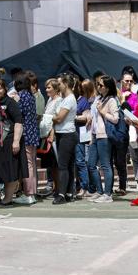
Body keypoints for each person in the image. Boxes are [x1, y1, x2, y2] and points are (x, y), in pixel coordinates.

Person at [0, 78, 28, 207]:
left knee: (9, 171)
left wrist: (16, 141)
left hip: (9, 141)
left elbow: (18, 121)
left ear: (5, 89)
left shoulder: (10, 103)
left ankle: (8, 199)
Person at [87, 75, 119, 203]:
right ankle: (99, 191)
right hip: (95, 134)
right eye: (97, 84)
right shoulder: (98, 98)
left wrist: (102, 112)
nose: (98, 87)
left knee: (105, 165)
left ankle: (107, 194)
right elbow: (93, 115)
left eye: (101, 85)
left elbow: (115, 118)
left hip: (104, 135)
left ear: (108, 87)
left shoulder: (111, 100)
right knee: (91, 164)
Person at [51, 73, 79, 205]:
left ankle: (61, 194)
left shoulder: (69, 99)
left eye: (60, 83)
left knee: (63, 165)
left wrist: (50, 117)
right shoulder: (66, 98)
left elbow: (59, 117)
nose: (58, 85)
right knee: (67, 165)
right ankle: (68, 192)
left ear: (66, 84)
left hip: (67, 134)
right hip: (65, 133)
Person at [12, 74, 39, 205]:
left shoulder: (21, 96)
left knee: (27, 164)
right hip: (33, 132)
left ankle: (29, 193)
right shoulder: (31, 96)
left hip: (26, 133)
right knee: (32, 163)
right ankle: (32, 193)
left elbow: (18, 114)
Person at [39, 78, 63, 194]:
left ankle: (59, 188)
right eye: (46, 87)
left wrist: (52, 134)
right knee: (51, 164)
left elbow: (57, 119)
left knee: (56, 163)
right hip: (46, 133)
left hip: (53, 135)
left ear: (55, 89)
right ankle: (55, 187)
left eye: (49, 87)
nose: (47, 89)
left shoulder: (59, 100)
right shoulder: (50, 99)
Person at [74, 79, 93, 198]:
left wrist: (73, 116)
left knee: (81, 161)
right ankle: (80, 185)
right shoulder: (78, 100)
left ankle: (85, 187)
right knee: (78, 161)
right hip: (76, 133)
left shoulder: (84, 101)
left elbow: (86, 117)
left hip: (81, 134)